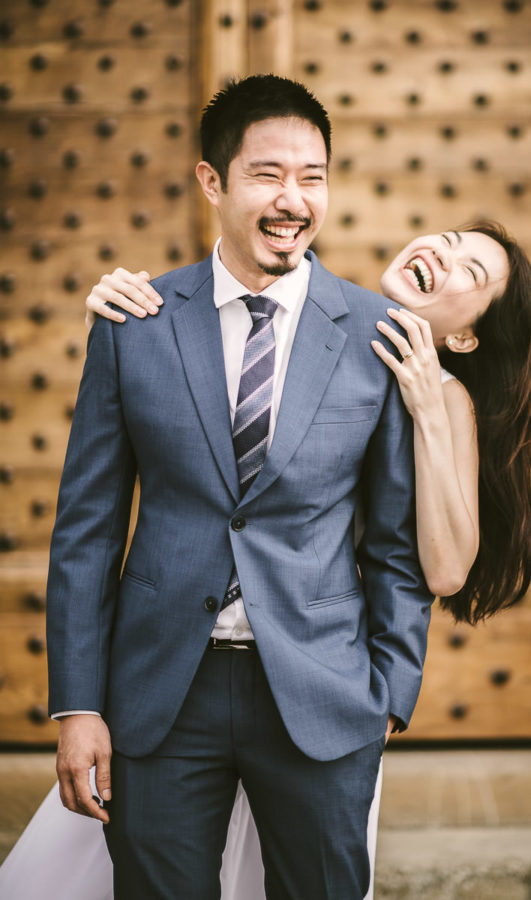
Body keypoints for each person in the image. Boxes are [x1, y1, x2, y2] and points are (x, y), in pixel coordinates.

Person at [0, 217, 531, 899]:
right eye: (450, 239)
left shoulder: (441, 396)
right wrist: (122, 321)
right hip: (171, 676)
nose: (443, 252)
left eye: (471, 270)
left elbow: (437, 570)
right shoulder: (323, 321)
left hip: (319, 693)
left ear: (465, 337)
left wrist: (384, 704)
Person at [42, 73, 434, 900]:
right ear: (212, 181)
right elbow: (87, 530)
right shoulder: (134, 325)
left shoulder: (378, 336)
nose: (293, 199)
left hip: (324, 696)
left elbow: (396, 541)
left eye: (313, 176)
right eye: (267, 175)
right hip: (157, 699)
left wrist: (390, 693)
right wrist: (76, 704)